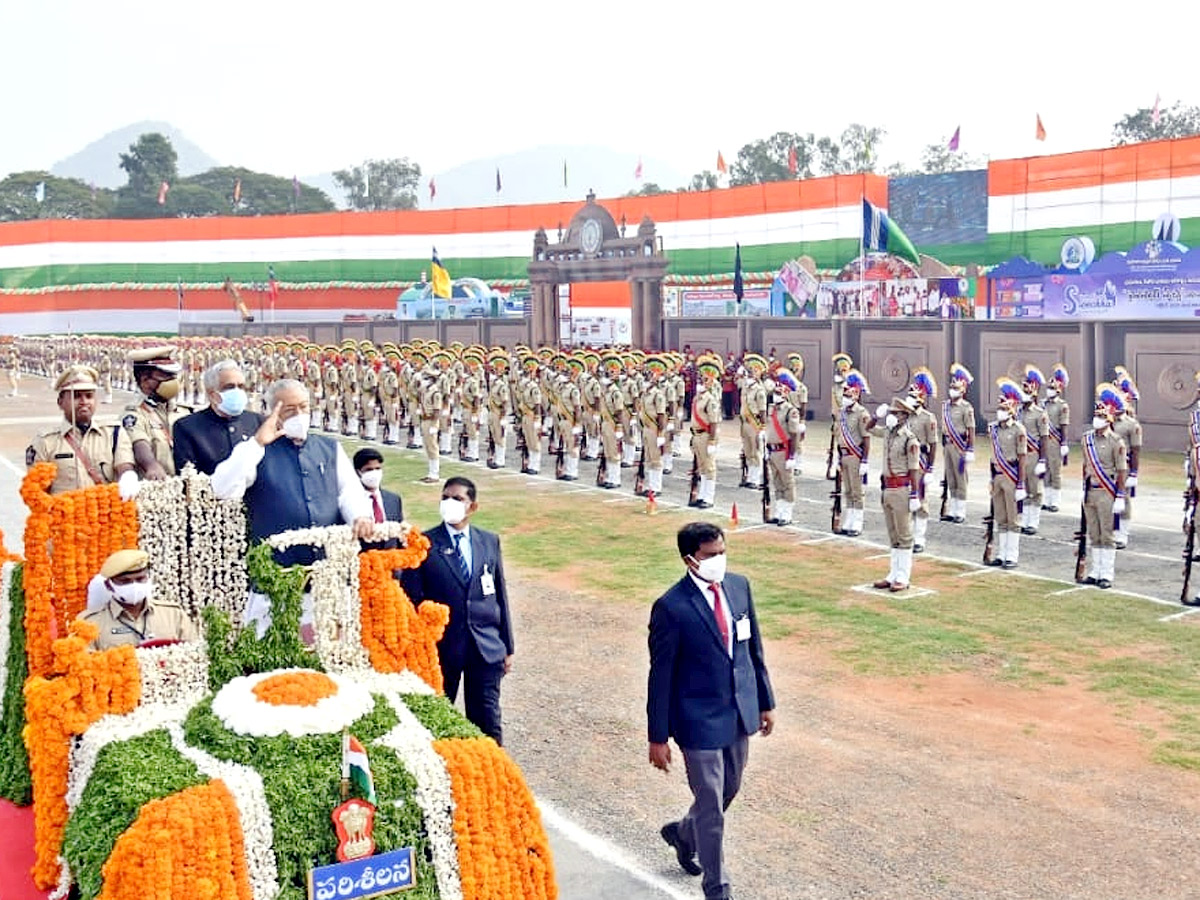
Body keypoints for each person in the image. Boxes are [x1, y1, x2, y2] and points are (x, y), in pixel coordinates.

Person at [648, 521, 775, 900]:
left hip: (738, 712)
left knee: (727, 790)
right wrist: (658, 736)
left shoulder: (739, 586)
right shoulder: (671, 607)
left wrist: (765, 701)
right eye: (710, 555)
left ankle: (684, 834)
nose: (719, 560)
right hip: (697, 719)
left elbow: (753, 650)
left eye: (722, 552)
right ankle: (717, 888)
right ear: (690, 559)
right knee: (711, 805)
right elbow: (661, 675)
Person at [210, 378, 375, 640]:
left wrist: (361, 516)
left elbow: (348, 492)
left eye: (304, 407)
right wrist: (257, 444)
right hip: (277, 582)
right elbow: (222, 488)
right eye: (289, 410)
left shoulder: (329, 448)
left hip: (324, 580)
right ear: (272, 411)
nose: (299, 415)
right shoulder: (256, 451)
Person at [403, 476, 514, 744]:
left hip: (484, 647)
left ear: (472, 507)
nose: (449, 503)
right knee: (436, 717)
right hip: (442, 647)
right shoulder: (425, 543)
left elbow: (499, 594)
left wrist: (507, 646)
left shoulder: (488, 541)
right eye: (445, 498)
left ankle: (492, 775)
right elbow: (411, 600)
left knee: (487, 719)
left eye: (457, 498)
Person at [27, 364, 137, 497]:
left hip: (105, 514)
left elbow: (124, 464)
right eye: (76, 396)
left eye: (89, 396)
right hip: (64, 514)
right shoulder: (46, 441)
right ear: (60, 402)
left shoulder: (114, 433)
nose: (84, 401)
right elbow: (37, 490)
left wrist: (128, 476)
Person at [78, 549, 198, 651]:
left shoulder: (173, 614)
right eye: (125, 581)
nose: (134, 586)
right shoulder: (90, 623)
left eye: (140, 579)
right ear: (109, 585)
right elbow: (86, 668)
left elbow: (195, 653)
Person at [172, 359, 262, 475]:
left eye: (241, 386)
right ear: (212, 394)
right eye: (229, 387)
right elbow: (188, 476)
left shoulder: (258, 421)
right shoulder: (187, 427)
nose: (237, 391)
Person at [870, 397, 922, 591]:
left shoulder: (910, 439)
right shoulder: (888, 434)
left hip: (901, 488)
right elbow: (868, 428)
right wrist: (877, 415)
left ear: (904, 416)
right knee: (893, 535)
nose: (891, 416)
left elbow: (914, 468)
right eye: (890, 412)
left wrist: (915, 494)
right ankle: (893, 574)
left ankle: (903, 576)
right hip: (887, 488)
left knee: (904, 534)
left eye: (895, 413)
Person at [1078, 388, 1128, 589]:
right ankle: (1095, 571)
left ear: (1108, 419)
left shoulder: (1117, 442)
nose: (1096, 419)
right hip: (1091, 490)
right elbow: (1085, 466)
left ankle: (1106, 573)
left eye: (1100, 415)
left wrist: (1121, 495)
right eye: (1095, 415)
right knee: (1093, 533)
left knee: (1107, 534)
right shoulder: (1086, 439)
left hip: (1107, 491)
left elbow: (1122, 470)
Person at [123, 345, 187, 481]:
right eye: (166, 377)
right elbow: (139, 443)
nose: (173, 382)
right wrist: (151, 465)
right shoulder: (134, 414)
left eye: (173, 376)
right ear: (145, 380)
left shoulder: (183, 411)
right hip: (158, 488)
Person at [987, 379, 1029, 569]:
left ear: (1012, 409)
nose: (1000, 410)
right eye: (999, 407)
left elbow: (1022, 458)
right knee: (1001, 517)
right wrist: (991, 478)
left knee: (1013, 518)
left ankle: (1011, 556)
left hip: (1011, 475)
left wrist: (1020, 484)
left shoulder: (1019, 430)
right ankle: (1001, 554)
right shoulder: (993, 429)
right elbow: (992, 455)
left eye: (1004, 407)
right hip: (997, 475)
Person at [836, 370, 872, 537]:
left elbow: (866, 438)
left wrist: (865, 460)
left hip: (855, 455)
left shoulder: (862, 413)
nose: (844, 396)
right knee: (848, 490)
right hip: (844, 455)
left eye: (848, 393)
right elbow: (839, 436)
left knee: (857, 492)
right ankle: (848, 519)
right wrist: (838, 458)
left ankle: (857, 522)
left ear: (856, 395)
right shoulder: (841, 413)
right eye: (844, 393)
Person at [940, 363, 976, 524]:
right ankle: (952, 510)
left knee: (960, 478)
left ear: (963, 390)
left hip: (959, 446)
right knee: (951, 477)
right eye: (951, 386)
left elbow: (971, 429)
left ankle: (960, 511)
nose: (952, 389)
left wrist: (970, 449)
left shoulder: (966, 408)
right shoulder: (945, 406)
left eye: (956, 387)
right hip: (947, 446)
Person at [353, 447, 403, 525]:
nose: (374, 473)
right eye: (369, 469)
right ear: (358, 472)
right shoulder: (351, 502)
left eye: (377, 468)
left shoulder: (393, 500)